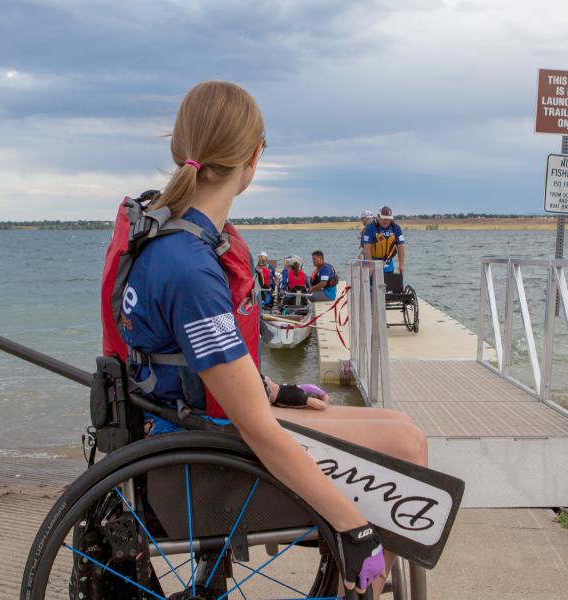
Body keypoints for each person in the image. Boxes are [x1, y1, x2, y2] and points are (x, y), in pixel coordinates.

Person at [121, 81, 426, 598]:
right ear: (253, 158)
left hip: (181, 426)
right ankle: (365, 583)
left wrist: (279, 390)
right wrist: (354, 527)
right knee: (405, 448)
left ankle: (358, 585)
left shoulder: (167, 238)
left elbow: (195, 367)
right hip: (202, 462)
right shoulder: (190, 266)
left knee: (401, 426)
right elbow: (259, 432)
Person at [362, 206, 405, 274]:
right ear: (378, 216)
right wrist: (370, 265)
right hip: (372, 261)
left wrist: (401, 264)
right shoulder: (370, 228)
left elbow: (400, 247)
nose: (386, 221)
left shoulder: (396, 228)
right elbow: (366, 247)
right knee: (372, 282)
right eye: (384, 219)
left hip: (388, 263)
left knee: (389, 283)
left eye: (388, 219)